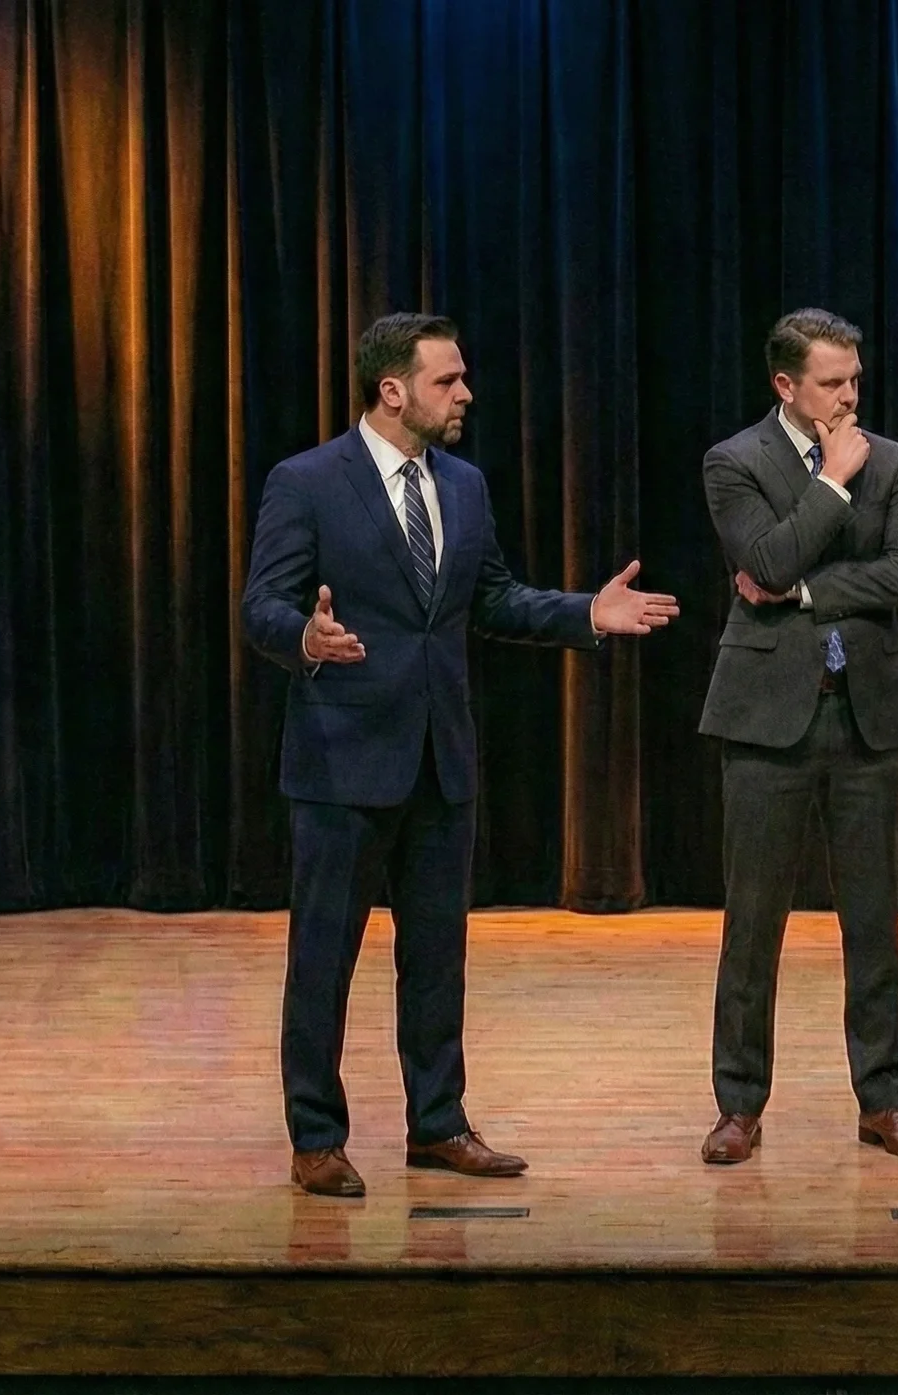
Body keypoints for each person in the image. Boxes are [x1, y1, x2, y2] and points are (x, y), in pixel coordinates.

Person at [241, 312, 680, 1196]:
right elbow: (262, 605)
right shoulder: (308, 482)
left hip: (442, 759)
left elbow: (494, 598)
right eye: (448, 380)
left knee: (436, 955)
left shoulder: (466, 486)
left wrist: (582, 614)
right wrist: (306, 638)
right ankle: (316, 1135)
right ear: (392, 389)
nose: (466, 393)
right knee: (323, 956)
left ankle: (437, 1122)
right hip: (342, 760)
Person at [697, 308, 898, 1165]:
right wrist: (833, 484)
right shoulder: (735, 462)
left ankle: (884, 1100)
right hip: (767, 719)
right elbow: (764, 556)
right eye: (832, 382)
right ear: (786, 385)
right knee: (752, 922)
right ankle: (738, 1104)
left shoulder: (894, 460)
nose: (849, 396)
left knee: (874, 921)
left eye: (856, 381)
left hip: (866, 714)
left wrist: (804, 595)